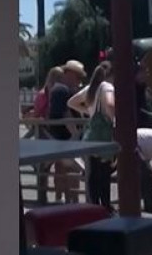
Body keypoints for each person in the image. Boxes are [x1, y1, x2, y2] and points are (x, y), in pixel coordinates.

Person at [48, 59, 87, 203]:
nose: (79, 80)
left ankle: (64, 200)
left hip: (61, 138)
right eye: (77, 76)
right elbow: (65, 115)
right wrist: (75, 135)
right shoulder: (62, 90)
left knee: (64, 170)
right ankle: (72, 201)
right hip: (66, 138)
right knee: (72, 171)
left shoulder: (61, 89)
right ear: (69, 74)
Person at [82, 61, 115, 210]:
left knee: (94, 174)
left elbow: (72, 102)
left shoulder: (91, 89)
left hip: (91, 135)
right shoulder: (107, 86)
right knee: (104, 173)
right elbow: (110, 104)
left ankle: (94, 206)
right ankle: (105, 206)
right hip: (103, 136)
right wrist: (113, 119)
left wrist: (89, 112)